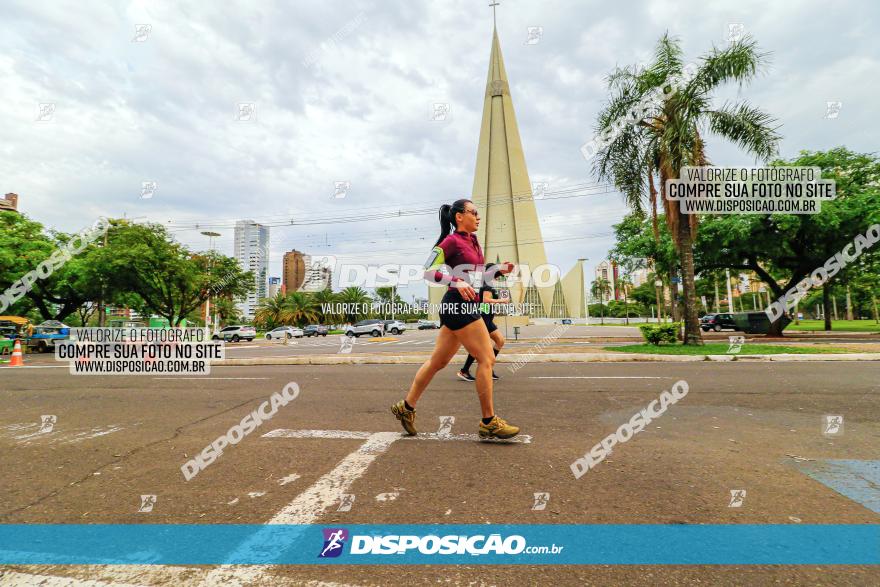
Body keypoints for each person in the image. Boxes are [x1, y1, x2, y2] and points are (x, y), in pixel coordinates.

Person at [391, 199, 520, 439]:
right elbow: (428, 271)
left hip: (464, 306)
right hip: (458, 306)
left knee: (437, 363)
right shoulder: (450, 241)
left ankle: (405, 407)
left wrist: (497, 271)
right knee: (486, 358)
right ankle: (488, 421)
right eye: (474, 213)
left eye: (478, 213)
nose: (478, 217)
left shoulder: (474, 242)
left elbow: (476, 276)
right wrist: (455, 281)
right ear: (459, 216)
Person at [457, 263, 505, 382]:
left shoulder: (487, 284)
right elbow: (486, 300)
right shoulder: (487, 285)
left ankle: (487, 369)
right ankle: (464, 370)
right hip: (484, 320)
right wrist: (501, 300)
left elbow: (483, 304)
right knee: (481, 347)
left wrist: (488, 312)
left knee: (500, 341)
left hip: (487, 319)